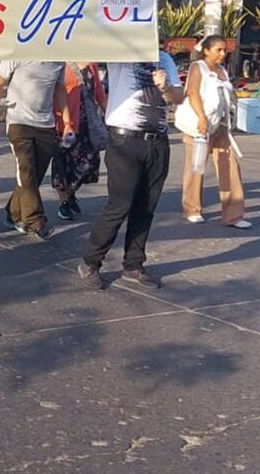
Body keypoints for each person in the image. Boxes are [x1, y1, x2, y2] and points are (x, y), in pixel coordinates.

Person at [78, 47, 184, 291]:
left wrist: (166, 86)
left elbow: (178, 97)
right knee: (119, 205)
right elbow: (94, 43)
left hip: (157, 141)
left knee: (146, 207)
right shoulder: (121, 57)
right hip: (125, 141)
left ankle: (133, 265)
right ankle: (91, 262)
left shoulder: (164, 59)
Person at [0, 60, 74, 240]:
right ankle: (35, 220)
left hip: (45, 124)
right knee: (26, 170)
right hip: (19, 123)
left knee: (34, 175)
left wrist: (67, 122)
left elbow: (59, 90)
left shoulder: (58, 60)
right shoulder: (18, 54)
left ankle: (14, 212)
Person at [179, 35, 250, 229]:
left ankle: (233, 214)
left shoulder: (223, 71)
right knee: (196, 166)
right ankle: (192, 208)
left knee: (231, 167)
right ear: (206, 50)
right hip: (199, 125)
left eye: (224, 50)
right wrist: (201, 117)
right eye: (218, 50)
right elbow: (192, 92)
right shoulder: (198, 67)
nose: (222, 54)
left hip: (221, 126)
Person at [52, 61, 106, 222]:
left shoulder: (91, 64)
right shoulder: (60, 63)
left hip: (87, 122)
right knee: (62, 162)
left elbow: (99, 93)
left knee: (89, 161)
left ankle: (71, 192)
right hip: (64, 122)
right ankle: (64, 202)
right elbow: (54, 91)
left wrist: (108, 112)